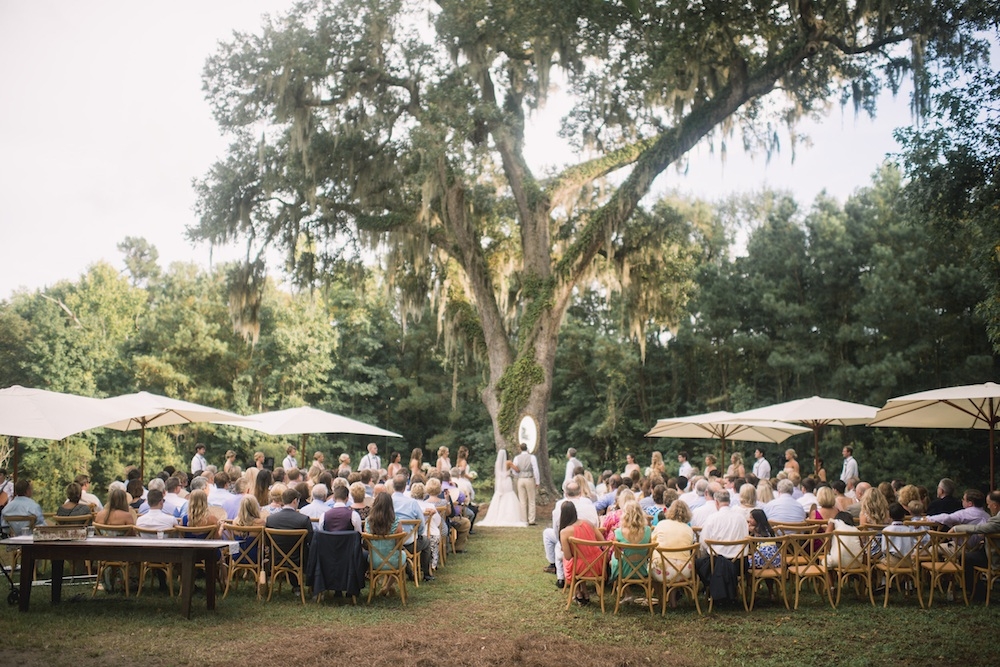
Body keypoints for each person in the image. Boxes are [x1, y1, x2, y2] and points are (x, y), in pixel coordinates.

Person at [695, 490, 749, 603]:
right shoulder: (741, 518)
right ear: (729, 501)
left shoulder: (712, 518)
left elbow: (704, 542)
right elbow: (746, 538)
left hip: (716, 564)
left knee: (700, 563)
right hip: (739, 563)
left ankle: (712, 589)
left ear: (716, 502)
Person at [265, 487, 313, 597]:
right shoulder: (303, 519)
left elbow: (267, 542)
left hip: (276, 558)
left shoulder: (271, 519)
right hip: (299, 559)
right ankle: (311, 587)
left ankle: (296, 586)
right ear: (295, 501)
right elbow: (311, 540)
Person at [952, 490, 1000, 600]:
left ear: (995, 505)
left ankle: (977, 592)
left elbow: (978, 528)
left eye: (989, 504)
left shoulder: (998, 519)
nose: (988, 507)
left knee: (965, 558)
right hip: (991, 550)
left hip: (995, 557)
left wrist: (956, 528)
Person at [559, 501, 606, 606]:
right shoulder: (588, 523)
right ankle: (584, 591)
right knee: (580, 559)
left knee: (569, 560)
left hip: (581, 567)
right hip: (598, 564)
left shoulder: (565, 532)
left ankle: (577, 592)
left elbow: (568, 556)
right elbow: (602, 540)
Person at [650, 500, 696, 606]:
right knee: (675, 561)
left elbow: (652, 543)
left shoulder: (661, 524)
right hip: (685, 571)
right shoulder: (688, 529)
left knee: (654, 567)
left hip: (662, 571)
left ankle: (662, 599)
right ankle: (672, 600)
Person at [365, 492, 403, 596]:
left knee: (392, 555)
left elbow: (367, 543)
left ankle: (387, 586)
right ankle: (388, 586)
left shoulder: (368, 522)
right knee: (400, 555)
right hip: (393, 561)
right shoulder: (396, 522)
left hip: (373, 560)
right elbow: (398, 545)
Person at [478, 449, 528, 527]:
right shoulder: (508, 462)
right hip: (507, 481)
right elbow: (517, 470)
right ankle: (509, 516)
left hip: (500, 482)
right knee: (508, 495)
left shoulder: (497, 463)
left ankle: (498, 515)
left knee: (501, 496)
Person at [610, 501, 652, 581]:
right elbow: (649, 554)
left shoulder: (619, 532)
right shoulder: (648, 531)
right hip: (642, 569)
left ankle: (624, 588)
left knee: (613, 558)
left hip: (624, 571)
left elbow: (617, 556)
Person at [512, 443, 537, 525]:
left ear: (520, 449)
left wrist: (518, 475)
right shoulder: (532, 457)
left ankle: (523, 519)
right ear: (527, 448)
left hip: (520, 479)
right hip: (529, 478)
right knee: (531, 500)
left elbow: (514, 470)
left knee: (522, 500)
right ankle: (531, 519)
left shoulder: (517, 458)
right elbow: (535, 469)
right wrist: (537, 481)